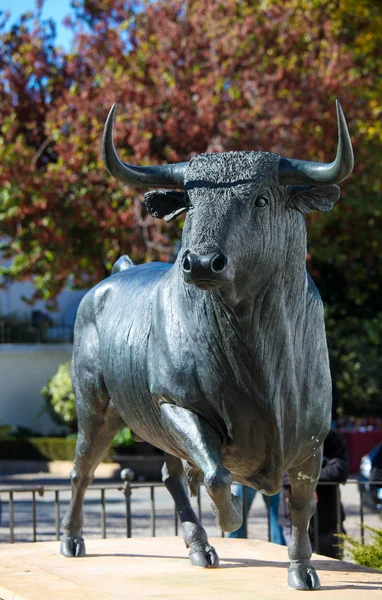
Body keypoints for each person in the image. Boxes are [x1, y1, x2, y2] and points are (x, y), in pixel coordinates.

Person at [279, 429, 349, 559]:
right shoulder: (289, 437)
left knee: (331, 566)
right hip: (291, 519)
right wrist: (305, 482)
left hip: (326, 519)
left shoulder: (332, 438)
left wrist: (308, 482)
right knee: (292, 563)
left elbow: (339, 470)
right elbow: (279, 470)